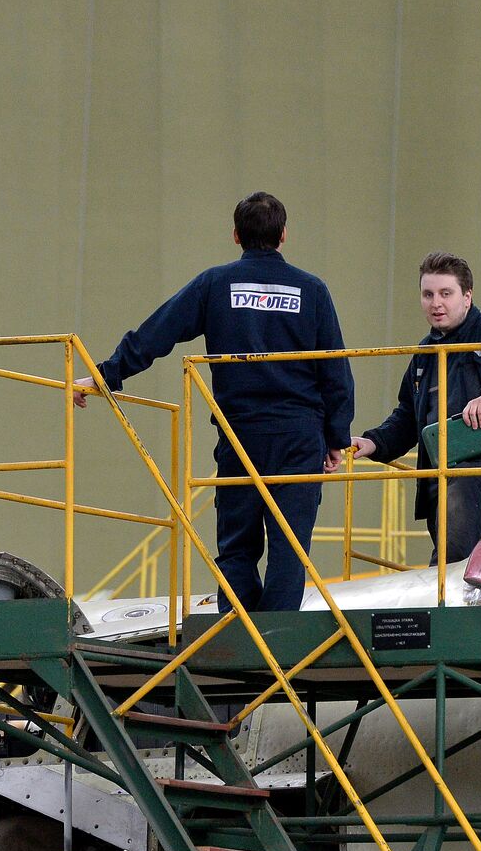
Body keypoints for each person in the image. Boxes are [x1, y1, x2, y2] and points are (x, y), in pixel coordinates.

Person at [74, 192, 353, 612]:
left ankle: (239, 633)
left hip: (240, 434)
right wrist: (336, 436)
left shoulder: (215, 284)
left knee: (237, 545)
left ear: (236, 235)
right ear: (283, 235)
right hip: (298, 437)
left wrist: (106, 375)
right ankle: (276, 643)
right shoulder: (312, 290)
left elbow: (158, 332)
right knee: (289, 547)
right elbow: (336, 370)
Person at [350, 251, 481, 563]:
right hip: (443, 470)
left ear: (467, 296)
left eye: (446, 294)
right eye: (428, 294)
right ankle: (464, 590)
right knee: (455, 513)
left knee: (460, 494)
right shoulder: (424, 354)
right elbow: (408, 415)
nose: (436, 303)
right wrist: (373, 442)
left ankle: (444, 593)